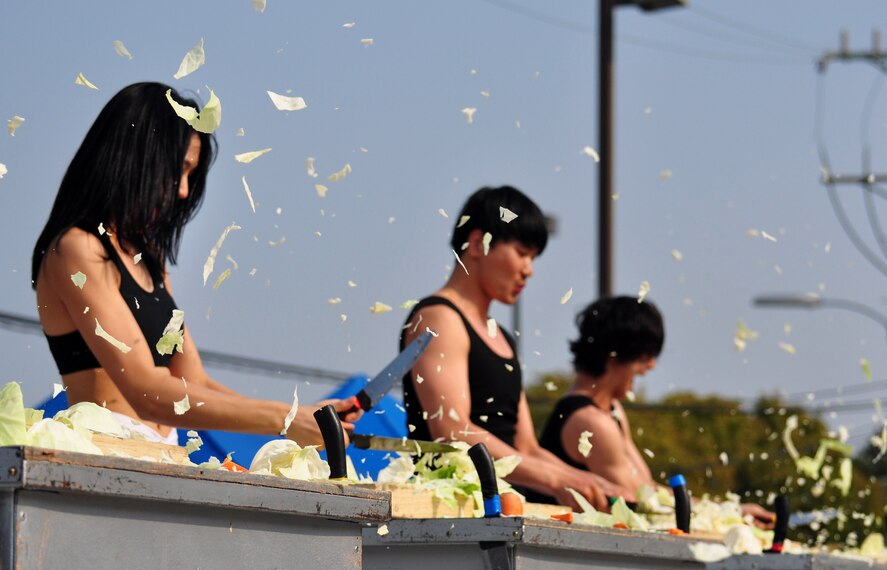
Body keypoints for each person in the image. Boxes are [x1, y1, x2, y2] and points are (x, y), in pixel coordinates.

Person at [31, 82, 358, 446]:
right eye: (178, 170)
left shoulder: (149, 259)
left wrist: (302, 417)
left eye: (191, 175)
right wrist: (283, 420)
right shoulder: (77, 250)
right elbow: (145, 389)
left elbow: (193, 384)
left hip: (163, 454)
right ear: (137, 157)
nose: (184, 190)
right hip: (104, 453)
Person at [400, 186, 624, 510]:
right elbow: (451, 431)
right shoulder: (439, 317)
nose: (529, 269)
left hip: (500, 509)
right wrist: (555, 480)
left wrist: (590, 481)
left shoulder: (501, 336)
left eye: (532, 258)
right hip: (447, 511)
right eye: (521, 252)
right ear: (478, 244)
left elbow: (527, 447)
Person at [536, 296, 774, 525]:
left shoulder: (612, 410)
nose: (651, 365)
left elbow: (646, 487)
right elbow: (639, 501)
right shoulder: (590, 422)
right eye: (646, 355)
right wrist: (728, 515)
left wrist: (732, 511)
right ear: (615, 355)